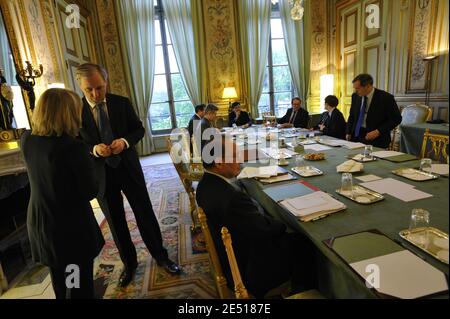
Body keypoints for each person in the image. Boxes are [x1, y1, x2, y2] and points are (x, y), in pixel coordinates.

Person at [76, 63, 180, 288]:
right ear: (80, 86)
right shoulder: (75, 110)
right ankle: (129, 263)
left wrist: (124, 142)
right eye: (89, 90)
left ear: (106, 82)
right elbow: (76, 143)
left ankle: (161, 256)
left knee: (144, 212)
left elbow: (139, 129)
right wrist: (94, 149)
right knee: (115, 221)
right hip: (102, 174)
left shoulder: (121, 103)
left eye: (100, 88)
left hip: (128, 168)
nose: (95, 94)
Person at [196, 137, 317, 298]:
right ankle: (299, 292)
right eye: (234, 155)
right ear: (219, 163)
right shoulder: (231, 198)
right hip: (248, 267)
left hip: (232, 250)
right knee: (303, 241)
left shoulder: (204, 184)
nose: (240, 160)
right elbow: (265, 229)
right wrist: (285, 222)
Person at [20, 88, 105, 299]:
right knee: (77, 288)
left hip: (41, 223)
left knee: (61, 281)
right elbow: (90, 191)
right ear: (68, 113)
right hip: (70, 233)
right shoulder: (73, 148)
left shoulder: (27, 140)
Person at [346, 74, 402, 148]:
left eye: (358, 88)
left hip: (377, 139)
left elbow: (396, 119)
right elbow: (352, 115)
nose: (356, 91)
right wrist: (348, 132)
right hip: (356, 136)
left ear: (367, 86)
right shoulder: (355, 96)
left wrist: (378, 132)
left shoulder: (386, 98)